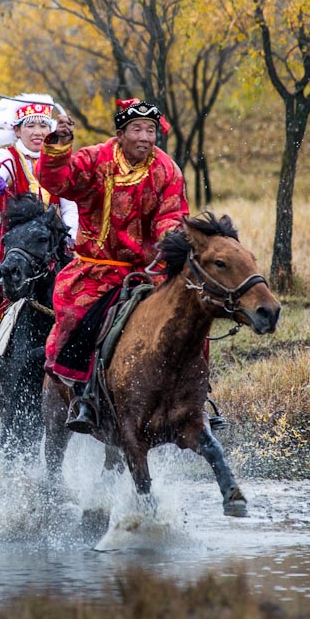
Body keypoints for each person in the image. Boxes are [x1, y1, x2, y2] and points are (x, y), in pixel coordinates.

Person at [37, 98, 188, 428]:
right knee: (79, 318)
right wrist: (60, 145)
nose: (145, 137)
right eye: (137, 129)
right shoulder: (96, 159)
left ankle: (192, 398)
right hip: (98, 269)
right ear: (121, 133)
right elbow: (58, 182)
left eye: (151, 130)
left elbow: (172, 215)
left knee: (187, 316)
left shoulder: (166, 169)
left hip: (149, 271)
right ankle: (81, 395)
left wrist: (171, 242)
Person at [0, 95, 79, 404]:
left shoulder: (58, 162)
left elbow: (69, 204)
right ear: (17, 129)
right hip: (9, 245)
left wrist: (72, 236)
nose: (37, 132)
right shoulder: (6, 155)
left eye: (43, 126)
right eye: (30, 126)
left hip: (51, 246)